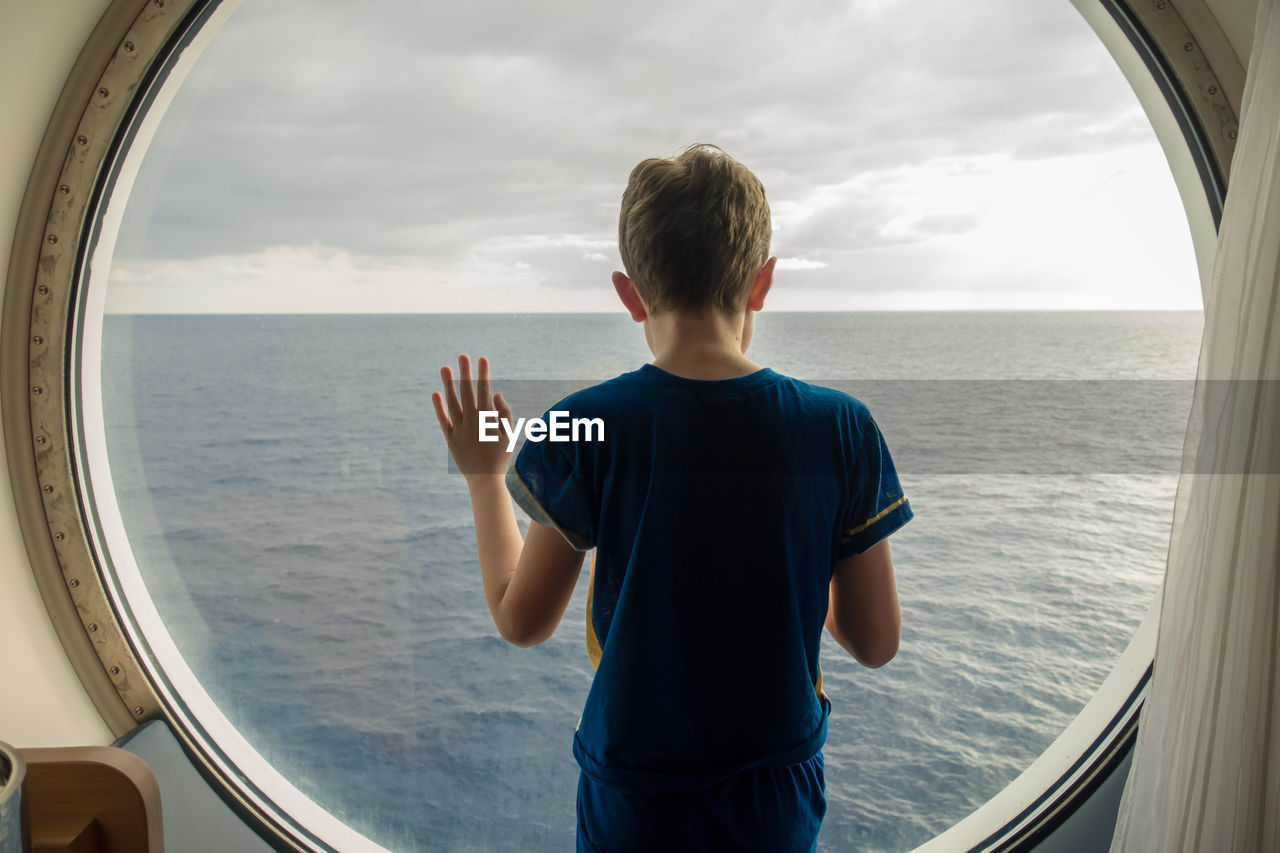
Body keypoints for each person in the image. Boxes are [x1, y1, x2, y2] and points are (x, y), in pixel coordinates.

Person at [430, 143, 912, 852]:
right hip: (773, 798)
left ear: (630, 294)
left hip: (634, 801)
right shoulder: (841, 426)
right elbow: (875, 641)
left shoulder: (582, 426)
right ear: (763, 282)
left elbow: (521, 619)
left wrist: (482, 474)